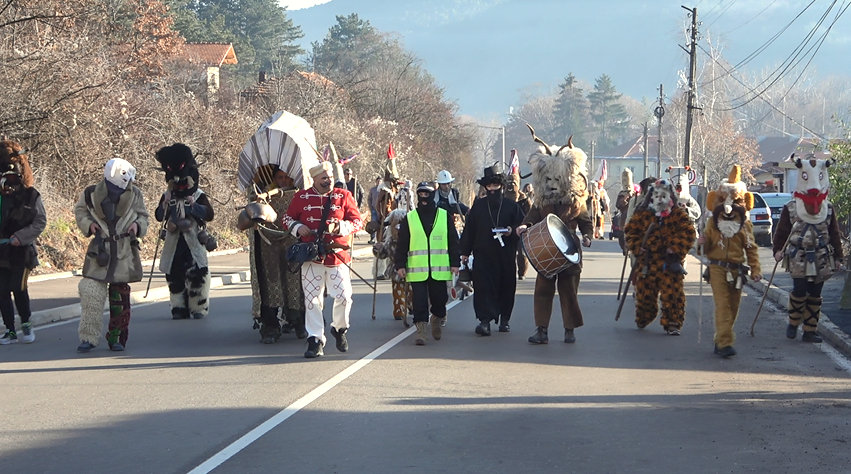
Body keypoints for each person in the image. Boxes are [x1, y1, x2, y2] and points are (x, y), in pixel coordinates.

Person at [517, 132, 593, 344]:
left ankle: (569, 330)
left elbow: (586, 222)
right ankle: (541, 330)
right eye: (548, 179)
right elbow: (532, 216)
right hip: (546, 250)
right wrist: (524, 225)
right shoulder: (542, 201)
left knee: (569, 292)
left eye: (556, 179)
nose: (551, 183)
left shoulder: (576, 202)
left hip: (569, 252)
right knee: (543, 291)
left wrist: (587, 236)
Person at [284, 161, 363, 359]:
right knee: (312, 300)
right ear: (314, 179)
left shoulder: (344, 196)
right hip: (311, 257)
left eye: (329, 177)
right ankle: (315, 339)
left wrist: (339, 228)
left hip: (336, 256)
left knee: (344, 297)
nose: (328, 181)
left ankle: (339, 328)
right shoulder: (301, 197)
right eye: (324, 178)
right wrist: (297, 227)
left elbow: (357, 221)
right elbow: (286, 219)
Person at [74, 158, 148, 352]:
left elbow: (143, 216)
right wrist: (88, 225)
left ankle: (116, 337)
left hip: (123, 251)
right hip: (100, 250)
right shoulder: (90, 193)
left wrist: (138, 226)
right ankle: (88, 337)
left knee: (120, 298)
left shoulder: (135, 194)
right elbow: (80, 211)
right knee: (90, 292)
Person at [772, 154, 844, 343]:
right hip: (798, 256)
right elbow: (781, 232)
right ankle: (793, 322)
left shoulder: (828, 209)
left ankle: (810, 330)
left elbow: (834, 234)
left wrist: (838, 257)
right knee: (799, 290)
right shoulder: (792, 208)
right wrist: (777, 250)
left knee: (815, 294)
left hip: (821, 256)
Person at [699, 165, 762, 358]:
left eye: (735, 200)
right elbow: (704, 247)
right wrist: (700, 243)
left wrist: (755, 269)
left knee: (734, 306)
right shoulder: (712, 223)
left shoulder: (745, 225)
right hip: (717, 268)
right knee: (723, 304)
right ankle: (725, 343)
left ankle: (720, 339)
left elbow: (751, 248)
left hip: (737, 271)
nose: (729, 205)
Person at [239, 165, 306, 343]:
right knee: (270, 281)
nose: (283, 181)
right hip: (268, 245)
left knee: (295, 280)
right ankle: (270, 324)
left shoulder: (299, 195)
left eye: (286, 178)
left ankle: (298, 320)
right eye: (279, 178)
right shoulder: (262, 196)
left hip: (292, 242)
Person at [624, 179, 696, 335]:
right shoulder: (642, 213)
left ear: (670, 197)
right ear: (651, 196)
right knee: (645, 297)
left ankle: (673, 323)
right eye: (657, 195)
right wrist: (638, 247)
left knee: (673, 295)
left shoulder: (678, 215)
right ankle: (644, 317)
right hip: (648, 262)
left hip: (670, 263)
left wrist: (674, 248)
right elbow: (630, 232)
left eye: (664, 195)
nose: (660, 199)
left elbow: (689, 234)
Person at [459, 165, 524, 335]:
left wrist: (511, 230)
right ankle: (484, 321)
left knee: (507, 287)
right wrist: (464, 252)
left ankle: (505, 320)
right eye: (489, 186)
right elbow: (469, 230)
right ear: (485, 187)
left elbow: (522, 226)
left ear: (501, 186)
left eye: (496, 185)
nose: (493, 189)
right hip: (483, 255)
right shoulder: (478, 207)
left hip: (505, 255)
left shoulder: (512, 206)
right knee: (483, 288)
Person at [154, 143, 215, 320]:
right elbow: (159, 216)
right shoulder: (168, 196)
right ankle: (178, 306)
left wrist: (194, 207)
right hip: (174, 242)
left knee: (197, 274)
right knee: (174, 274)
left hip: (193, 240)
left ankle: (198, 307)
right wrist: (164, 204)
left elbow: (209, 214)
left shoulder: (198, 195)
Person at [394, 182, 460, 344]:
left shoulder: (444, 216)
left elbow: (453, 242)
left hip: (439, 268)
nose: (424, 198)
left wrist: (455, 263)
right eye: (421, 194)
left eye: (427, 194)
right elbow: (402, 244)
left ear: (433, 195)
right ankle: (421, 329)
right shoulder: (410, 218)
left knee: (439, 298)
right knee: (419, 301)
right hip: (417, 269)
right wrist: (400, 265)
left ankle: (437, 317)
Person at [0, 141, 46, 345]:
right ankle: (9, 329)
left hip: (22, 250)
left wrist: (21, 237)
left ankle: (26, 322)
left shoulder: (31, 194)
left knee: (18, 288)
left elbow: (40, 221)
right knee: (1, 290)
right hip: (1, 250)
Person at [504, 170, 532, 280]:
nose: (511, 185)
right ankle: (508, 272)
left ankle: (521, 273)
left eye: (514, 182)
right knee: (506, 253)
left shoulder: (524, 200)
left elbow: (530, 215)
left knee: (522, 253)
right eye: (509, 182)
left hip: (521, 230)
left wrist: (526, 226)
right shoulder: (502, 198)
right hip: (506, 230)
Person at [366, 176, 381, 244]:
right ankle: (372, 238)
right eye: (378, 181)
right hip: (374, 210)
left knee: (381, 224)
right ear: (376, 182)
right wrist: (371, 207)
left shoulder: (383, 190)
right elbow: (369, 199)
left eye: (380, 181)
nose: (379, 182)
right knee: (373, 224)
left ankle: (380, 239)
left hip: (381, 210)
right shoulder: (373, 190)